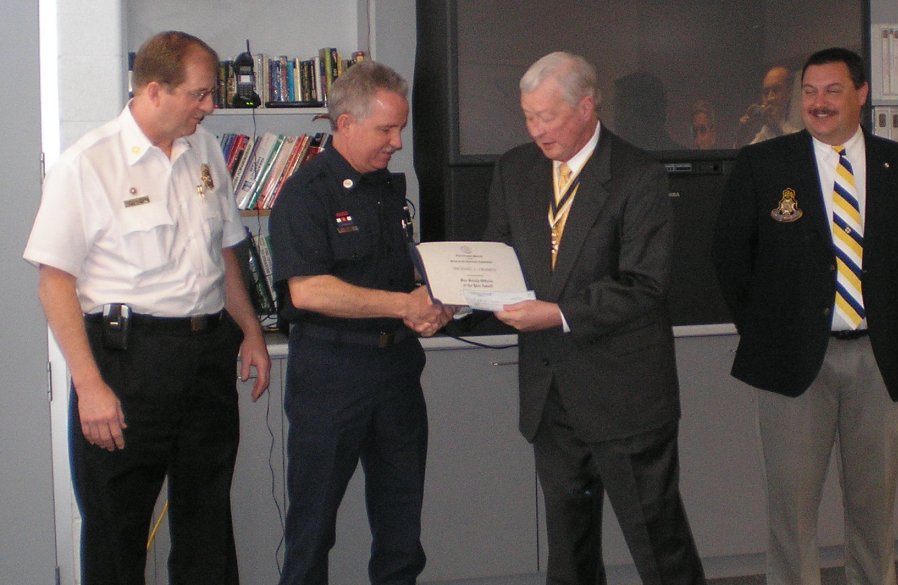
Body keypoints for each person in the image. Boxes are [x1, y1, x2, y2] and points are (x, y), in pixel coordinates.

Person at [23, 31, 272, 584]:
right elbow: (54, 282)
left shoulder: (204, 150)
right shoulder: (87, 164)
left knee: (208, 522)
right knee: (117, 528)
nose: (210, 107)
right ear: (156, 91)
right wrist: (89, 386)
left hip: (207, 356)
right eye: (200, 94)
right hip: (128, 361)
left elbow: (224, 251)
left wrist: (250, 331)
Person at [712, 47, 898, 585]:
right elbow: (730, 259)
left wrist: (884, 316)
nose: (818, 104)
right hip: (791, 365)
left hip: (880, 361)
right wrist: (772, 331)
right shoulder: (764, 164)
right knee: (791, 518)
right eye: (810, 92)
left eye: (832, 91)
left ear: (861, 94)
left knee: (875, 513)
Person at [483, 51, 705, 585]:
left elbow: (644, 284)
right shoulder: (514, 169)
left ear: (586, 108)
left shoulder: (638, 175)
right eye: (528, 117)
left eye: (547, 117)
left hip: (624, 397)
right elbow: (498, 254)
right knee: (569, 553)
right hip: (549, 395)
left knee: (659, 547)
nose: (536, 131)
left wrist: (557, 314)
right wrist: (461, 291)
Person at [269, 60, 454, 585]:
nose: (397, 142)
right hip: (332, 375)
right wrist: (403, 305)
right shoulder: (306, 194)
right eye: (386, 129)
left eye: (401, 128)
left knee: (401, 524)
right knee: (313, 527)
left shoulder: (387, 190)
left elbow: (400, 278)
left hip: (395, 372)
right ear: (345, 124)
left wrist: (436, 304)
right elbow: (308, 290)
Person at [736, 65, 802, 146]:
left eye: (776, 90)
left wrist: (776, 130)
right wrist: (741, 137)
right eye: (766, 92)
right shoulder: (757, 139)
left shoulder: (799, 138)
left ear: (789, 93)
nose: (770, 98)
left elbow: (792, 155)